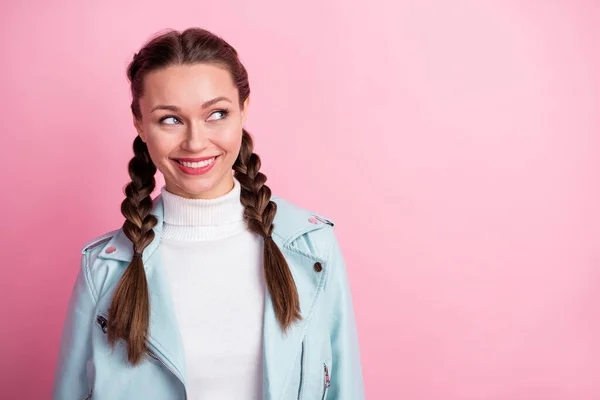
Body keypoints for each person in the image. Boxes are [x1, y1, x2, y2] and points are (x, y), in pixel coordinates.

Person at [51, 27, 364, 400]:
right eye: (170, 119)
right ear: (139, 122)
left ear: (244, 110)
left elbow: (344, 388)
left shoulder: (312, 248)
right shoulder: (103, 269)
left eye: (216, 113)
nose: (196, 142)